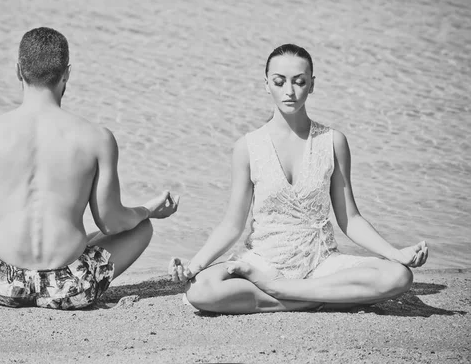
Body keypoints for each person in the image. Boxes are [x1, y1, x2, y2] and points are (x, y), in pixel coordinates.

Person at [0, 27, 179, 310]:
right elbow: (112, 223)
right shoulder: (97, 138)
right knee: (141, 228)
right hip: (72, 286)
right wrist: (147, 210)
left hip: (1, 284)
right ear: (67, 73)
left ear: (18, 71)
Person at [168, 44, 428, 314]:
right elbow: (232, 225)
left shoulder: (333, 141)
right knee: (200, 289)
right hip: (263, 262)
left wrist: (395, 254)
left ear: (312, 84)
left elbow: (350, 219)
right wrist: (193, 266)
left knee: (398, 276)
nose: (289, 91)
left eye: (299, 82)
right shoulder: (247, 147)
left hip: (322, 264)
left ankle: (279, 292)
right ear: (266, 84)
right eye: (279, 82)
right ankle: (315, 298)